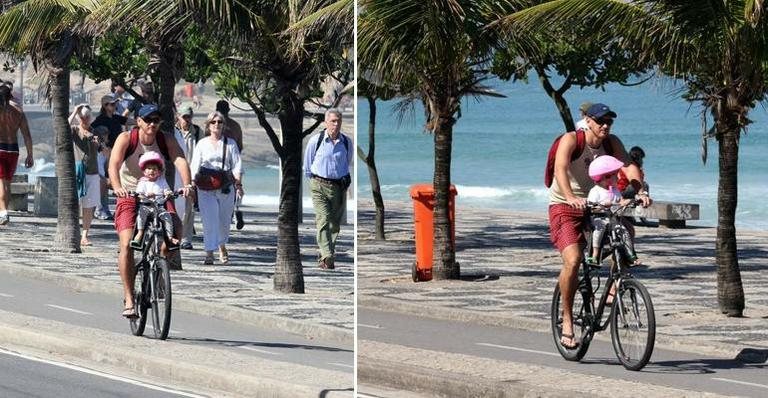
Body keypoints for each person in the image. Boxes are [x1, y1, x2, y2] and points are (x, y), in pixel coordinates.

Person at [548, 103, 650, 349]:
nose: (605, 125)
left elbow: (628, 165)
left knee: (626, 232)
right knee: (572, 260)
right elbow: (560, 169)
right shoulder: (572, 139)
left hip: (599, 205)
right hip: (566, 205)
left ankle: (616, 284)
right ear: (588, 120)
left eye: (609, 121)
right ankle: (568, 321)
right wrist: (571, 196)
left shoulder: (611, 142)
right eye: (600, 121)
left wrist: (641, 190)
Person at [109, 104, 192, 318]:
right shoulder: (127, 139)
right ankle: (129, 297)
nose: (153, 124)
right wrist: (117, 187)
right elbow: (113, 164)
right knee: (127, 244)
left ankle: (160, 264)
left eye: (156, 120)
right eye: (148, 120)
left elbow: (179, 159)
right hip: (130, 195)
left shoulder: (166, 140)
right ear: (139, 121)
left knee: (177, 230)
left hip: (158, 195)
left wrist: (188, 184)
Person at [189, 111, 243, 265]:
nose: (216, 125)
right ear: (208, 125)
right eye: (213, 122)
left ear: (224, 125)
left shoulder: (230, 143)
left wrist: (239, 184)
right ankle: (209, 252)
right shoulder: (202, 143)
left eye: (219, 122)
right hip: (206, 186)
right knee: (209, 220)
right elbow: (195, 164)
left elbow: (237, 165)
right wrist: (192, 182)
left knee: (224, 221)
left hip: (225, 185)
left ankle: (222, 245)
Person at [303, 109, 352, 270]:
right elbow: (308, 165)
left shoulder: (346, 142)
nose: (336, 124)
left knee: (334, 225)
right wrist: (314, 181)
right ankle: (328, 256)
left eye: (338, 121)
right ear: (326, 122)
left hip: (338, 186)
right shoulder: (315, 141)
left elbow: (347, 162)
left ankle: (324, 256)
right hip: (318, 185)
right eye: (333, 121)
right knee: (323, 219)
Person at [585, 155, 638, 266]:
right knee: (599, 230)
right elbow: (591, 206)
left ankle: (630, 254)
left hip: (613, 218)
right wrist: (602, 205)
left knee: (624, 231)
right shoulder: (596, 191)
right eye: (615, 175)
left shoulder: (615, 190)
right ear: (605, 177)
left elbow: (620, 200)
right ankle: (594, 254)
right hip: (600, 218)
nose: (618, 177)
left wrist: (626, 201)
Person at [69, 104, 104, 246]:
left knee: (89, 205)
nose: (85, 119)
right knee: (76, 203)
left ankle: (85, 235)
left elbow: (102, 149)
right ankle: (75, 232)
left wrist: (98, 144)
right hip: (78, 171)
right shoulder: (75, 130)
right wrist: (75, 111)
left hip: (92, 171)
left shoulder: (95, 132)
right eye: (82, 117)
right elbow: (64, 126)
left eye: (87, 116)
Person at [130, 151, 179, 249]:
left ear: (159, 171)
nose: (151, 171)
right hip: (146, 206)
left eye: (154, 169)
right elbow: (139, 193)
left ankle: (169, 237)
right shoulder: (143, 182)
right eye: (149, 168)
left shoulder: (162, 181)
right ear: (144, 171)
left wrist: (168, 192)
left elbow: (166, 190)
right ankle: (140, 233)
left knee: (167, 216)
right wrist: (144, 195)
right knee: (141, 215)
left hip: (159, 207)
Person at [91, 93, 128, 220]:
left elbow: (130, 121)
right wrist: (102, 147)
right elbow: (92, 134)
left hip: (117, 154)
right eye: (112, 104)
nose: (114, 106)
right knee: (105, 181)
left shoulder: (116, 118)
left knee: (115, 180)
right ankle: (101, 209)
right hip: (105, 153)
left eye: (115, 103)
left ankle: (110, 210)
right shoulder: (100, 120)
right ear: (105, 106)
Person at [0, 85, 33, 225]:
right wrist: (30, 154)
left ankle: (4, 213)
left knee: (1, 182)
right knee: (7, 183)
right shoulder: (19, 111)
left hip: (0, 147)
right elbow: (27, 135)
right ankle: (4, 212)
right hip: (13, 149)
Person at [214, 100, 245, 229]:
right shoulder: (235, 125)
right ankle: (232, 212)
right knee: (231, 189)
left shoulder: (212, 125)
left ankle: (228, 214)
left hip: (218, 164)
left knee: (219, 190)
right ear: (228, 111)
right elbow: (240, 147)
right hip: (231, 163)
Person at [176, 105, 203, 250]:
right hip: (175, 173)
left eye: (189, 117)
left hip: (192, 174)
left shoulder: (198, 132)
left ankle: (186, 238)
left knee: (189, 208)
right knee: (175, 205)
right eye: (184, 117)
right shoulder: (173, 131)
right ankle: (175, 235)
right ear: (178, 117)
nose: (187, 120)